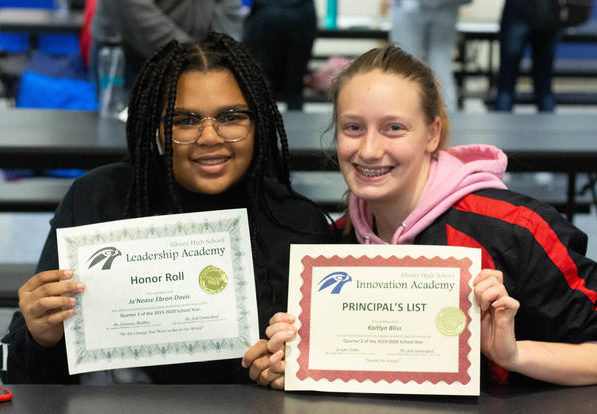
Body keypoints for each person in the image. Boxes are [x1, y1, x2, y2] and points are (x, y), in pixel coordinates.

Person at [242, 44, 597, 389]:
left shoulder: (516, 229)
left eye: (393, 127)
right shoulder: (334, 249)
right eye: (353, 127)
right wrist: (293, 363)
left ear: (432, 134)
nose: (368, 149)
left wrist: (515, 355)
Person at [0, 32, 334, 384]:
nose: (209, 137)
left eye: (231, 116)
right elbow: (15, 372)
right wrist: (38, 336)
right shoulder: (96, 200)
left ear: (258, 123)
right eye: (184, 120)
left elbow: (324, 380)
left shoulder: (298, 225)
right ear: (155, 127)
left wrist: (288, 373)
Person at [90, 0, 243, 92]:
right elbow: (130, 7)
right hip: (131, 55)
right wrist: (192, 54)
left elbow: (229, 7)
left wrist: (220, 48)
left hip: (201, 58)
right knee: (124, 138)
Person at [380, 0, 472, 110]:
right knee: (440, 64)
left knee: (404, 65)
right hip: (445, 7)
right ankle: (447, 119)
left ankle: (399, 115)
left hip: (414, 8)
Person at [243, 0, 317, 110]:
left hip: (268, 13)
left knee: (263, 86)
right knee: (293, 87)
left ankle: (263, 121)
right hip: (299, 13)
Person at [494, 0, 560, 112]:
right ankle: (548, 120)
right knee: (544, 81)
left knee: (507, 79)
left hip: (522, 10)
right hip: (546, 11)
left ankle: (502, 121)